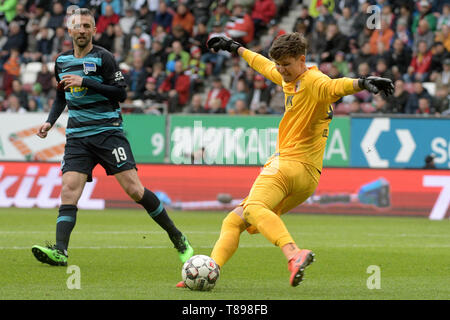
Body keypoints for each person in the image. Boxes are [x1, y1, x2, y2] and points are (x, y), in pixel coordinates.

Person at [177, 33, 394, 288]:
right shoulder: (288, 77)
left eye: (287, 65)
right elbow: (263, 65)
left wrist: (362, 82)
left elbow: (334, 86)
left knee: (253, 209)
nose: (281, 70)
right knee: (234, 220)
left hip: (287, 165)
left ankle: (293, 254)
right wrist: (235, 48)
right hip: (308, 177)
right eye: (279, 64)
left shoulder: (313, 80)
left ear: (302, 60)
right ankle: (210, 270)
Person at [31, 8, 193, 267]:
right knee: (69, 191)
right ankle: (61, 251)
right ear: (70, 30)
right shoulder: (61, 61)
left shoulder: (104, 58)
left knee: (134, 190)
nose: (82, 30)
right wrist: (50, 122)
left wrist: (86, 82)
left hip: (107, 134)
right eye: (77, 26)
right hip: (77, 137)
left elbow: (120, 94)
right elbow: (62, 95)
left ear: (95, 30)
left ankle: (178, 237)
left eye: (87, 26)